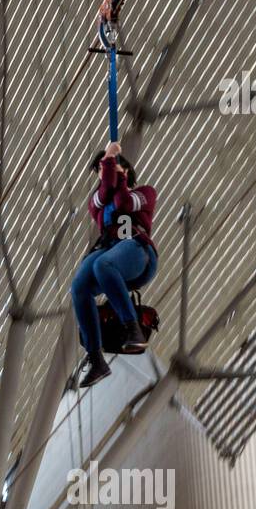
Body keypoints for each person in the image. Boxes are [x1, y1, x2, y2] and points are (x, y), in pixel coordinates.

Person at [71, 140, 158, 388]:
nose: (101, 177)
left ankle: (133, 328)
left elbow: (125, 204)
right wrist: (110, 163)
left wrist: (113, 165)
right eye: (100, 171)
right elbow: (106, 193)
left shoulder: (145, 193)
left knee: (102, 266)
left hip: (138, 252)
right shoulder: (97, 202)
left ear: (125, 172)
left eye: (103, 169)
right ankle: (96, 358)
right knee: (79, 287)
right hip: (111, 252)